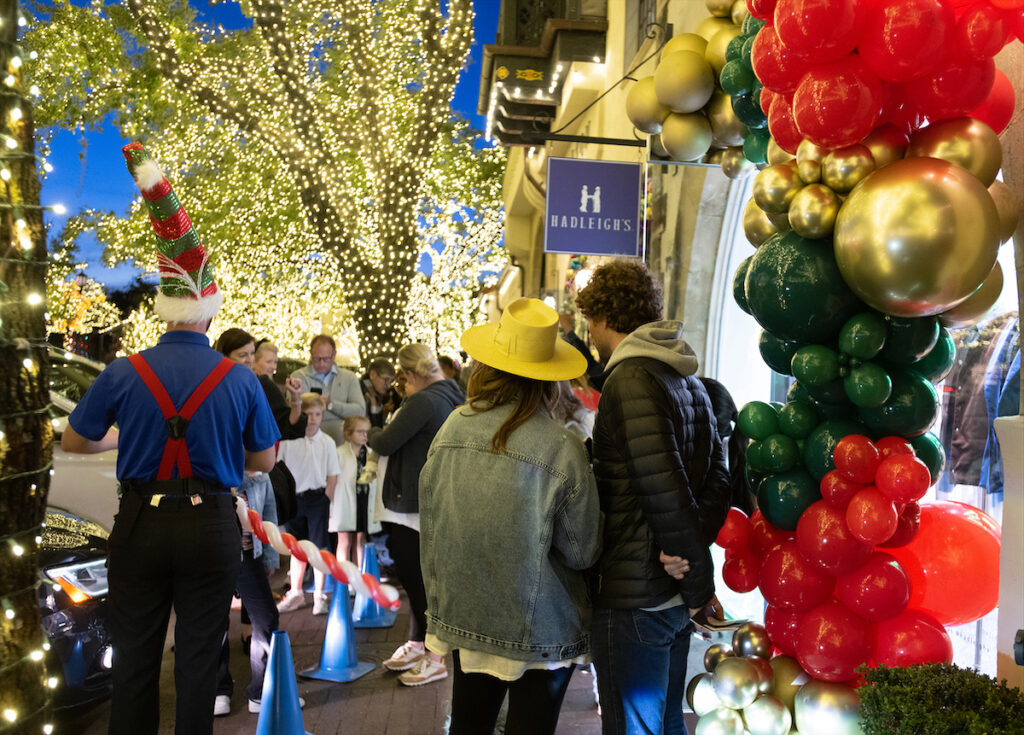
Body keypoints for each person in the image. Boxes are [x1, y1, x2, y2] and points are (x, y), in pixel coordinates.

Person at [60, 142, 279, 735]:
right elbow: (263, 459)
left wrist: (118, 442)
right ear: (208, 312)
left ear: (164, 311)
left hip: (138, 523)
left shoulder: (124, 370)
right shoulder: (238, 377)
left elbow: (76, 442)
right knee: (200, 657)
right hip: (209, 522)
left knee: (135, 657)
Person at [419, 298, 602, 735]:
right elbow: (583, 551)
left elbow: (432, 521)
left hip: (466, 613)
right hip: (542, 627)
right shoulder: (562, 445)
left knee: (468, 725)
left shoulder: (452, 428)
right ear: (548, 380)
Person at [575, 259, 730, 735]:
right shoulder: (686, 379)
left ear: (603, 318)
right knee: (665, 726)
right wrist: (687, 567)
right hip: (667, 597)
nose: (588, 334)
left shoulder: (630, 379)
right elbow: (717, 480)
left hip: (635, 596)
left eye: (588, 322)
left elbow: (665, 490)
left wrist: (694, 575)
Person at [210, 329, 305, 717]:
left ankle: (260, 687)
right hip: (215, 517)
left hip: (251, 519)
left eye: (253, 354)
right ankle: (218, 688)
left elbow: (277, 439)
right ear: (224, 355)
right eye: (242, 355)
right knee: (213, 611)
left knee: (264, 612)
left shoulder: (259, 390)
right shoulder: (212, 395)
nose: (249, 361)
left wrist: (294, 401)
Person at [367, 343, 464, 686]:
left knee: (419, 578)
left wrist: (372, 430)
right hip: (434, 496)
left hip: (415, 501)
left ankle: (434, 656)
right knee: (424, 578)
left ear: (410, 375)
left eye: (403, 379)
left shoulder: (424, 400)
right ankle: (418, 643)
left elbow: (385, 442)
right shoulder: (454, 393)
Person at [276, 393, 340, 615]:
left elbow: (333, 475)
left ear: (323, 415)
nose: (312, 419)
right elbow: (278, 468)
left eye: (317, 414)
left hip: (317, 499)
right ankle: (296, 592)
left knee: (319, 547)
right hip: (294, 498)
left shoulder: (327, 442)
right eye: (307, 414)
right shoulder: (287, 441)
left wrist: (326, 499)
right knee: (297, 547)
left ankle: (319, 594)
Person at [290, 335, 364, 444]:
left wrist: (331, 405)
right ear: (311, 354)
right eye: (317, 359)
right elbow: (299, 413)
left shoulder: (349, 378)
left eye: (326, 359)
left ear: (334, 355)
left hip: (342, 444)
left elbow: (360, 411)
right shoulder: (299, 377)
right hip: (307, 442)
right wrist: (342, 414)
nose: (321, 363)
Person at [331, 415, 381, 569]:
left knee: (361, 539)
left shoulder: (372, 453)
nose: (365, 435)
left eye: (367, 431)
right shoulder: (338, 453)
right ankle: (344, 579)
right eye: (360, 432)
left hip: (364, 501)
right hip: (344, 502)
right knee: (344, 540)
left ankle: (359, 576)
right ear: (348, 434)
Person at [253, 340, 307, 437]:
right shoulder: (261, 386)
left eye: (275, 362)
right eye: (269, 362)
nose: (273, 367)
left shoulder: (271, 387)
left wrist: (296, 397)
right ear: (254, 362)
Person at [361, 357, 398, 428]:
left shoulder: (377, 394)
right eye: (386, 379)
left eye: (391, 381)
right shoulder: (361, 392)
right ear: (372, 375)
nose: (388, 385)